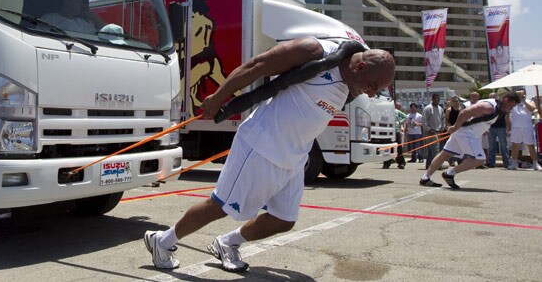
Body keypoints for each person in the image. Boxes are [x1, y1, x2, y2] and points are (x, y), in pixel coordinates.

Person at [143, 36, 395, 272]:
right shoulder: (313, 51)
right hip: (261, 144)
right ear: (360, 66)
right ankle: (162, 241)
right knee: (219, 206)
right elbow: (257, 65)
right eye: (373, 86)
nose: (372, 94)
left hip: (294, 156)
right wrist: (218, 98)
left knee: (283, 219)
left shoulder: (351, 82)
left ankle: (226, 243)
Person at [419, 91, 521, 189]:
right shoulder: (489, 107)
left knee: (445, 154)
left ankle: (425, 178)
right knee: (479, 160)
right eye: (511, 106)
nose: (511, 109)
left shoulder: (498, 108)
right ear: (506, 100)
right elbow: (465, 112)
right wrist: (455, 127)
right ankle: (449, 173)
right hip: (467, 133)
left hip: (468, 132)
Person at [507, 90, 542, 171]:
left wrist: (524, 102)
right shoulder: (513, 103)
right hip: (516, 127)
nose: (519, 95)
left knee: (531, 146)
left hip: (527, 127)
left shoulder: (530, 101)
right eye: (517, 94)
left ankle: (535, 164)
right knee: (515, 146)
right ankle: (513, 164)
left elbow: (532, 109)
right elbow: (507, 110)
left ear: (524, 94)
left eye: (520, 94)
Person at [485, 92, 510, 168]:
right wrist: (486, 128)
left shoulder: (501, 105)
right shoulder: (488, 106)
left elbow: (507, 117)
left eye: (494, 97)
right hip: (491, 128)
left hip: (501, 127)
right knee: (491, 146)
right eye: (491, 97)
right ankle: (491, 163)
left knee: (504, 146)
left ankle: (507, 163)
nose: (492, 99)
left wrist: (508, 129)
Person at [422, 93, 445, 169]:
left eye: (438, 99)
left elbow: (442, 119)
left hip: (438, 131)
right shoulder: (428, 108)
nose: (437, 100)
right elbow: (424, 120)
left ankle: (429, 164)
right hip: (431, 132)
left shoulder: (440, 108)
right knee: (435, 149)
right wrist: (428, 129)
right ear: (432, 99)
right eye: (435, 98)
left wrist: (442, 128)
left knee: (431, 149)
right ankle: (437, 165)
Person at [383, 102, 407, 169]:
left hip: (396, 131)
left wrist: (400, 122)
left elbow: (406, 117)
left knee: (399, 148)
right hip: (388, 131)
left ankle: (401, 163)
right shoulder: (385, 112)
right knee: (387, 148)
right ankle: (386, 164)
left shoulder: (397, 111)